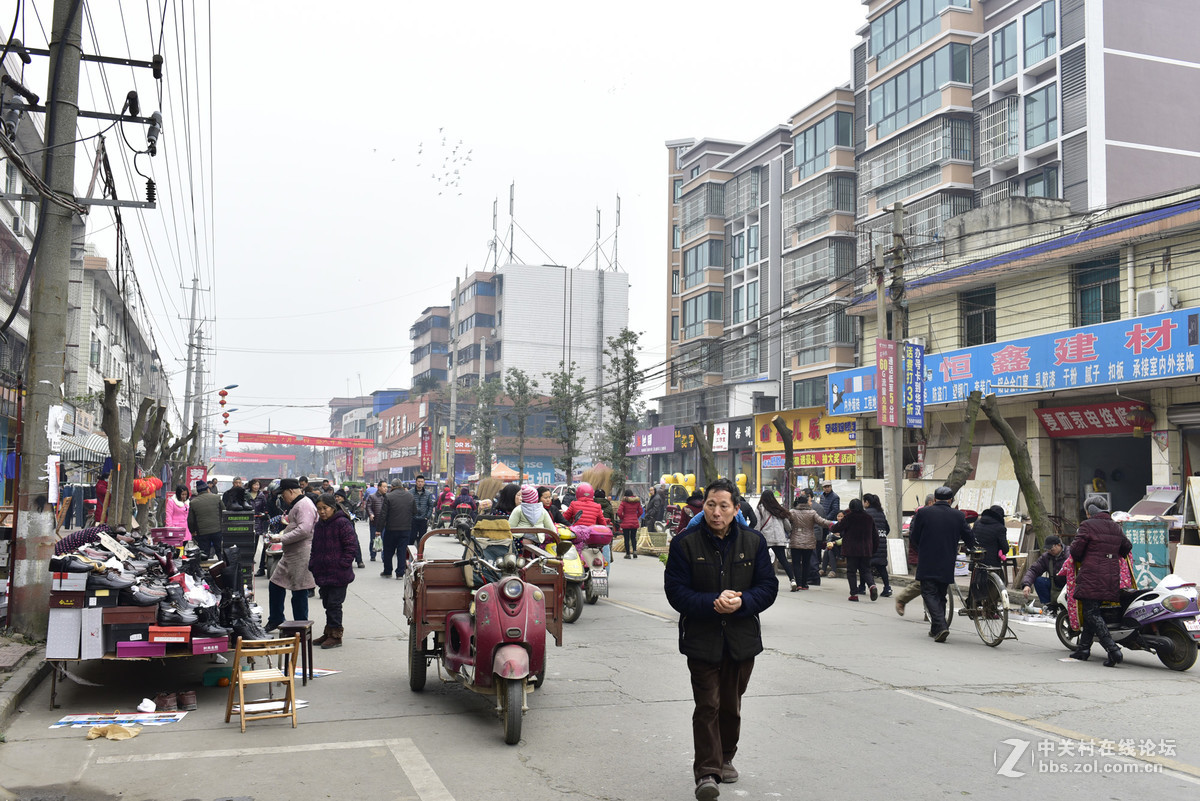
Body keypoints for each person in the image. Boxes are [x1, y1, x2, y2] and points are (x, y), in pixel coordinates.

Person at [663, 478, 778, 801]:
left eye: (723, 506)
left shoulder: (754, 542)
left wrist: (743, 602)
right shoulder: (684, 543)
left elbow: (768, 587)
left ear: (735, 509)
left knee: (730, 705)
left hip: (741, 640)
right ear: (704, 507)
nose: (716, 512)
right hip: (702, 639)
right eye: (711, 505)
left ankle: (726, 756)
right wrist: (711, 602)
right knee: (707, 705)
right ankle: (707, 773)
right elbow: (676, 591)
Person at [1069, 496, 1132, 666]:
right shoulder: (1115, 526)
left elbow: (1075, 551)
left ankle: (1113, 650)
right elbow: (1127, 547)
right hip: (1111, 576)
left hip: (1092, 575)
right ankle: (1083, 649)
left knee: (1091, 613)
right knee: (1092, 610)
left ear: (1090, 510)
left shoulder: (1087, 525)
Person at [909, 486, 974, 642]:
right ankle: (935, 629)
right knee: (940, 594)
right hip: (947, 560)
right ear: (950, 500)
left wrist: (921, 549)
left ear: (935, 499)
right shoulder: (958, 515)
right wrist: (973, 548)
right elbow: (969, 537)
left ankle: (941, 625)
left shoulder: (923, 513)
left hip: (927, 559)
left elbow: (914, 536)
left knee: (928, 593)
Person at [265, 478, 316, 631]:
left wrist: (281, 538)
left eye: (283, 495)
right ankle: (276, 618)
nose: (283, 498)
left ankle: (300, 626)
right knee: (275, 584)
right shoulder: (297, 504)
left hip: (302, 553)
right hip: (290, 553)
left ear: (291, 491)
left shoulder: (304, 504)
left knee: (299, 590)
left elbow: (304, 530)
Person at [309, 493, 358, 648]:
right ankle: (329, 632)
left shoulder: (342, 523)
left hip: (339, 573)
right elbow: (315, 547)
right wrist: (313, 563)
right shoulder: (319, 525)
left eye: (325, 508)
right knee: (327, 603)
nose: (322, 512)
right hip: (323, 572)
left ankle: (336, 636)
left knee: (334, 604)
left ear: (332, 507)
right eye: (319, 509)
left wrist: (343, 564)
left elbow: (351, 546)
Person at [894, 494, 937, 616]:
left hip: (931, 556)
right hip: (919, 556)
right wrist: (924, 551)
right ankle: (902, 599)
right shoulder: (920, 515)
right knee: (921, 583)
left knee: (932, 585)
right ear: (930, 503)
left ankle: (930, 613)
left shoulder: (934, 516)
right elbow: (914, 537)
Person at [829, 499, 877, 601]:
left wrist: (831, 526)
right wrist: (873, 549)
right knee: (866, 570)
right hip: (866, 549)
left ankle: (854, 594)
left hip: (852, 549)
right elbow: (875, 535)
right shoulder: (869, 518)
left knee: (851, 571)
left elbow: (836, 528)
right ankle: (872, 585)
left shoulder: (849, 517)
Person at [787, 494, 832, 591]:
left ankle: (798, 583)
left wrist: (789, 530)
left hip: (795, 540)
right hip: (809, 541)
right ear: (807, 502)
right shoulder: (812, 513)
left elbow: (786, 522)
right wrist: (832, 524)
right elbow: (822, 522)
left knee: (796, 563)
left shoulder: (792, 512)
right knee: (806, 563)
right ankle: (804, 584)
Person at [969, 505, 1010, 603]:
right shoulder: (1000, 528)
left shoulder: (977, 523)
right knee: (999, 582)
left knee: (975, 582)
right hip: (992, 563)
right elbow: (1005, 548)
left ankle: (972, 603)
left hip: (976, 560)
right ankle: (991, 606)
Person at [756, 490, 795, 590]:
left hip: (766, 538)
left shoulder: (760, 508)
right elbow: (788, 526)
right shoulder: (778, 509)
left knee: (762, 560)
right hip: (779, 538)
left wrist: (756, 537)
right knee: (783, 560)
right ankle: (792, 580)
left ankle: (763, 581)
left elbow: (757, 525)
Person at [1020, 534, 1067, 611]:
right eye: (1047, 549)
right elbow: (1033, 570)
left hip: (1068, 586)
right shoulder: (1046, 557)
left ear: (1059, 545)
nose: (1049, 551)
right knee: (1039, 581)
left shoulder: (1069, 554)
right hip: (1055, 585)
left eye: (1051, 549)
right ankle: (1050, 606)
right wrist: (1026, 584)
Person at [380, 479, 416, 579]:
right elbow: (414, 511)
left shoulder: (388, 496)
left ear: (392, 486)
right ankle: (400, 573)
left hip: (391, 529)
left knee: (388, 551)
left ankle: (388, 571)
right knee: (402, 551)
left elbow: (383, 514)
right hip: (405, 529)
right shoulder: (410, 496)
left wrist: (379, 529)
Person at [862, 493, 893, 598]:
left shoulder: (866, 513)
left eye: (864, 501)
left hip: (870, 544)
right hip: (881, 543)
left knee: (865, 567)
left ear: (867, 502)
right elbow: (887, 528)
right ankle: (887, 587)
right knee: (882, 567)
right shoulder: (881, 513)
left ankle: (862, 587)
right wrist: (881, 536)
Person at [187, 480, 225, 558]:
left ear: (198, 491)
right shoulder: (217, 497)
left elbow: (190, 520)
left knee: (204, 554)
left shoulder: (193, 502)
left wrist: (192, 532)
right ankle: (222, 563)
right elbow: (224, 511)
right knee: (219, 552)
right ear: (207, 489)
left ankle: (205, 565)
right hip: (217, 530)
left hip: (202, 532)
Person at [815, 480, 841, 578]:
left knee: (828, 545)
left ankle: (826, 568)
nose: (826, 488)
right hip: (822, 523)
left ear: (831, 487)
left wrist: (826, 519)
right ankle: (820, 566)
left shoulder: (835, 497)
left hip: (830, 523)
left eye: (828, 486)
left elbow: (835, 510)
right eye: (825, 487)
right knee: (821, 543)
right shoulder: (822, 496)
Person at [617, 489, 643, 559]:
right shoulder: (637, 501)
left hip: (626, 522)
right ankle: (634, 551)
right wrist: (636, 517)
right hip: (634, 522)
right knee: (633, 537)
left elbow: (619, 512)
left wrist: (623, 518)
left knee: (626, 539)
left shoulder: (624, 502)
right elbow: (641, 511)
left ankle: (628, 554)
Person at [365, 480, 387, 560]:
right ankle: (373, 555)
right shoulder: (372, 496)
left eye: (386, 487)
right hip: (375, 521)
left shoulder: (387, 497)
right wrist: (371, 514)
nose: (385, 488)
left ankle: (384, 557)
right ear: (379, 487)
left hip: (385, 522)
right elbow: (368, 507)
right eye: (384, 487)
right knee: (373, 539)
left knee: (384, 540)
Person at [412, 475, 435, 543]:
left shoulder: (428, 494)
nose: (420, 483)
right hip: (413, 519)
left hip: (423, 519)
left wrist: (427, 516)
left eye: (422, 482)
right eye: (419, 481)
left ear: (424, 483)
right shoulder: (410, 493)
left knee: (422, 539)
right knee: (411, 538)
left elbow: (431, 506)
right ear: (416, 482)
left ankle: (420, 550)